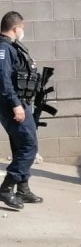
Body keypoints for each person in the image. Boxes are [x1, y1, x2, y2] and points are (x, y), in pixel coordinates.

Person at [0, 11, 43, 210]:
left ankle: (23, 189)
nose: (22, 31)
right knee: (29, 146)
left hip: (21, 102)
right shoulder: (4, 48)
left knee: (20, 146)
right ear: (15, 28)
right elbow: (3, 79)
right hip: (13, 104)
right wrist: (16, 104)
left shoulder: (12, 47)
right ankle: (7, 187)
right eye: (22, 28)